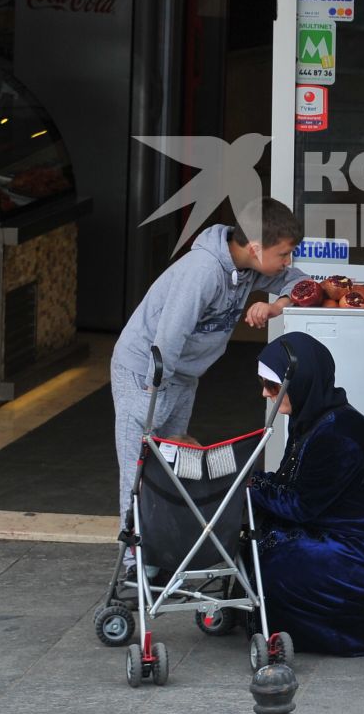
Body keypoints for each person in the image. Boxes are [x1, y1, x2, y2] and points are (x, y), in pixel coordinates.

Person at [110, 198, 307, 534]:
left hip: (183, 376)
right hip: (147, 372)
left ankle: (164, 555)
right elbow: (170, 334)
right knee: (139, 470)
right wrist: (154, 393)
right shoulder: (203, 270)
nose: (287, 262)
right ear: (256, 248)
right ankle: (134, 565)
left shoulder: (246, 268)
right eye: (283, 254)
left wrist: (277, 307)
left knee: (175, 467)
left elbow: (300, 282)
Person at [249, 332, 364, 656]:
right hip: (346, 535)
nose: (265, 394)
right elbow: (290, 483)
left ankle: (301, 633)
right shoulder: (312, 419)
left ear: (300, 381)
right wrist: (257, 485)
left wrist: (250, 486)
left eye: (272, 386)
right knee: (257, 546)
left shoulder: (338, 433)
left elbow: (301, 504)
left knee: (276, 564)